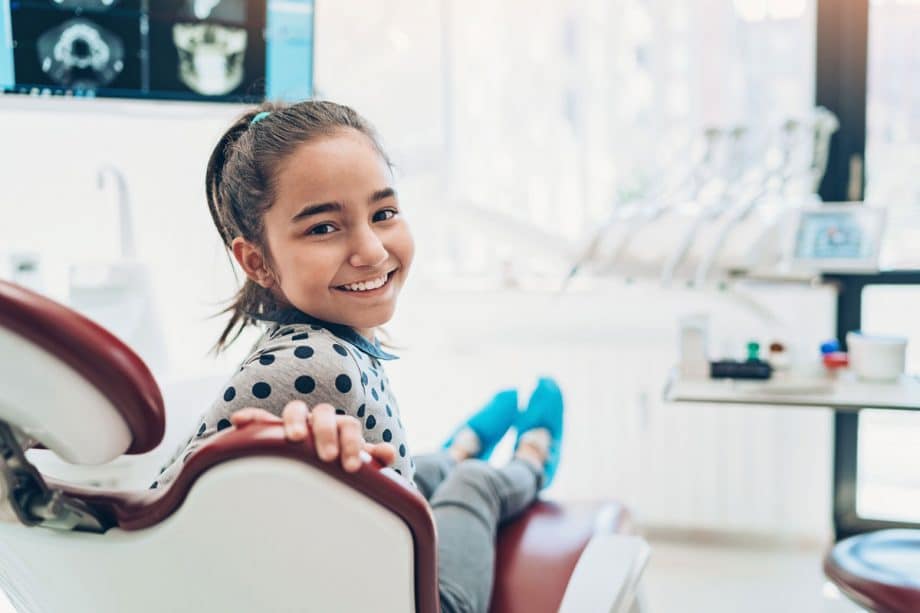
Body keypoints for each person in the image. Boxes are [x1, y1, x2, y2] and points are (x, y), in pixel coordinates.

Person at [155, 100, 564, 613]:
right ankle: (533, 458)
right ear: (256, 261)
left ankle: (459, 449)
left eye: (384, 214)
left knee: (415, 472)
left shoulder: (310, 342)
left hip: (356, 556)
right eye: (324, 227)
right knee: (477, 487)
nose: (371, 251)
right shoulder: (317, 369)